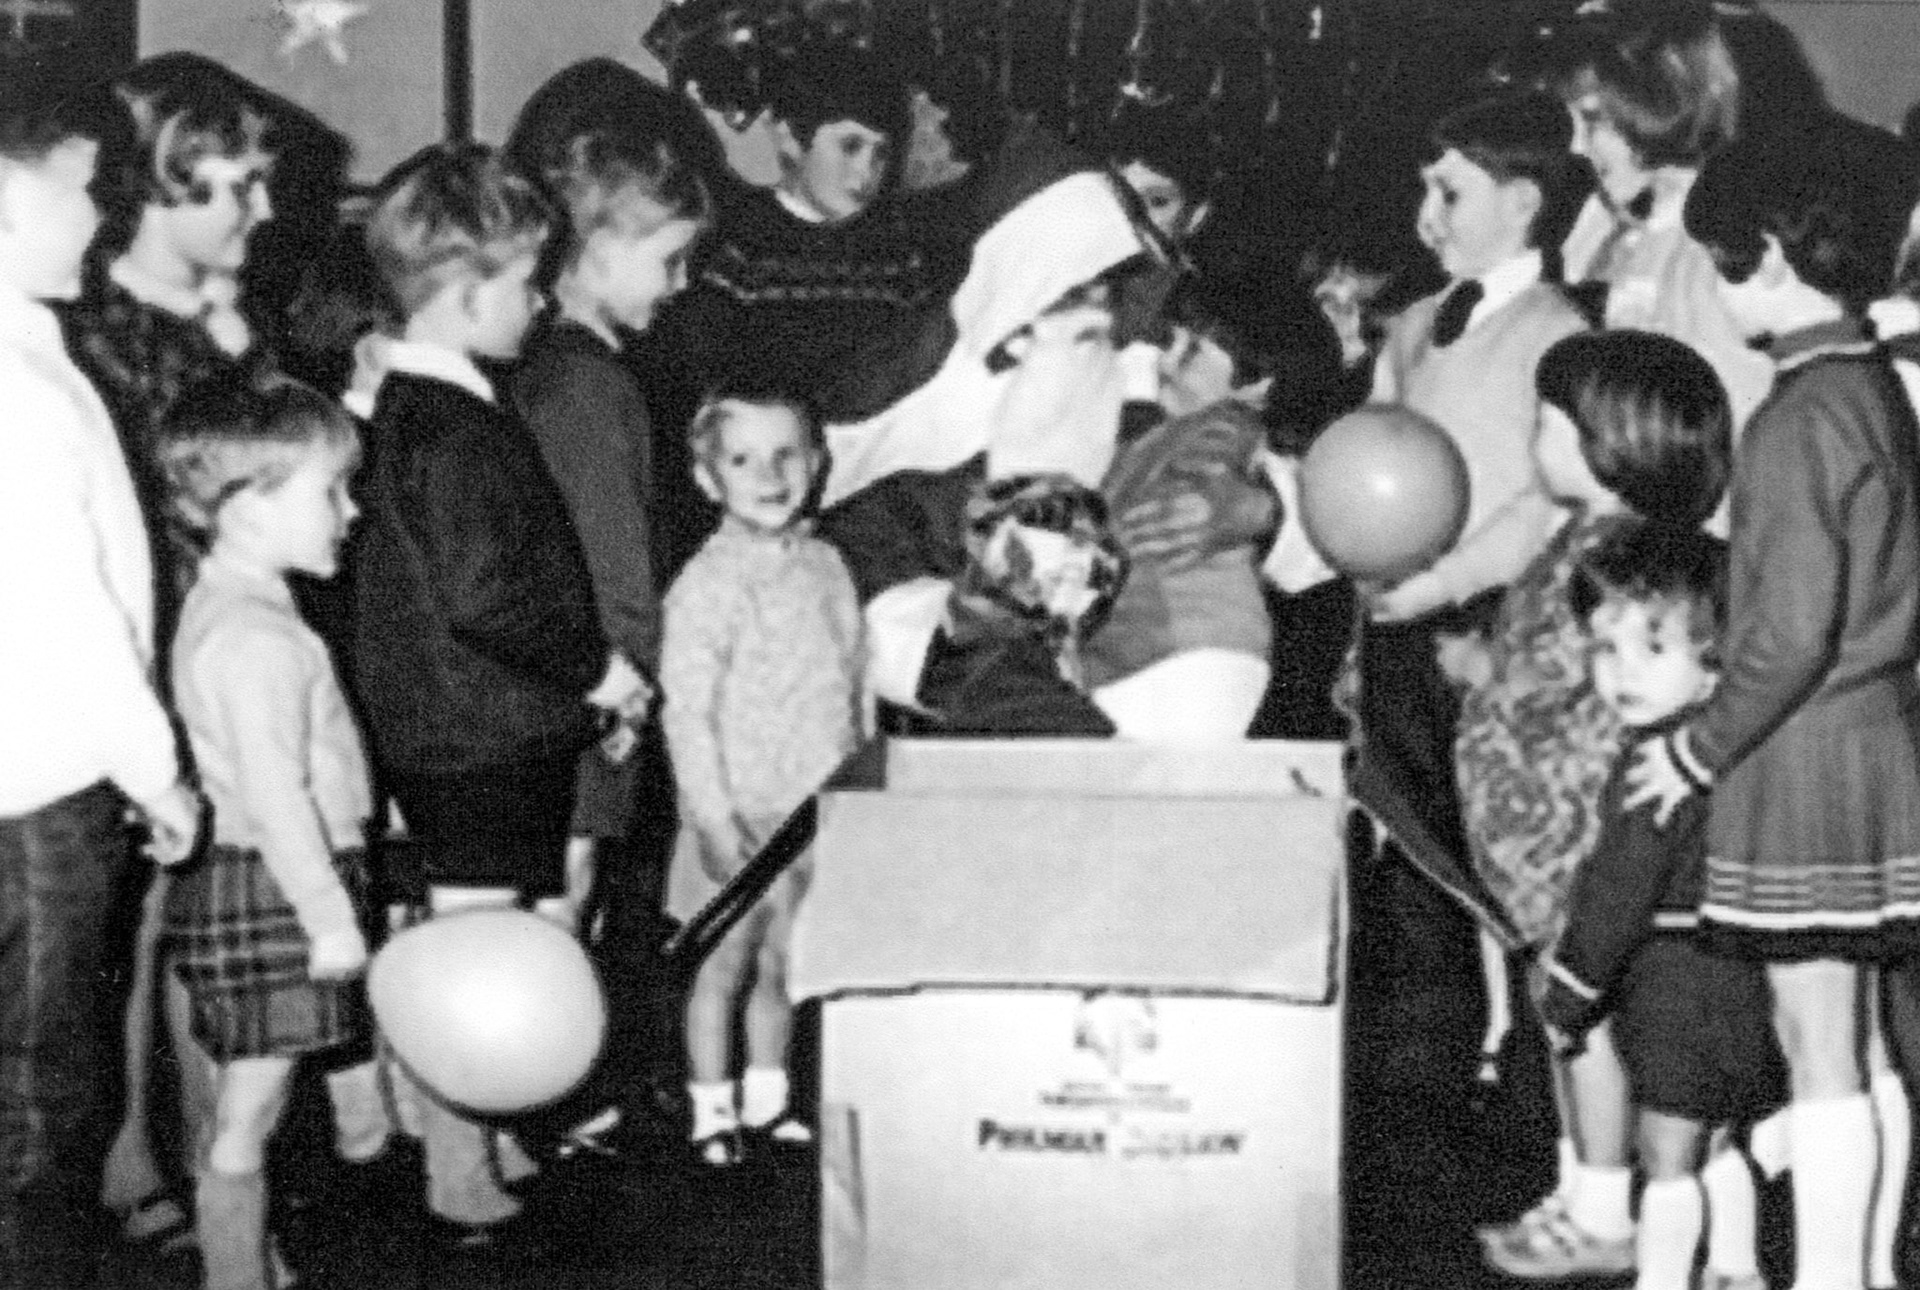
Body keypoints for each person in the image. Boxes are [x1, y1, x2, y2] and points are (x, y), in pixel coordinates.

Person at [1629, 127, 1920, 1290]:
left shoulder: (1796, 415)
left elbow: (1791, 630)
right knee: (1868, 1051)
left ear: (1764, 260)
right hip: (1880, 740)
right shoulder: (1872, 388)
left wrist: (1697, 752)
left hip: (1801, 756)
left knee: (1819, 1052)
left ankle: (1835, 1281)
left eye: (1716, 253)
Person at [350, 141, 647, 1239]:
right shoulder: (458, 427)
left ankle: (464, 1135)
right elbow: (490, 595)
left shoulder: (420, 411)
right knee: (468, 954)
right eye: (525, 285)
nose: (536, 305)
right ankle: (452, 1164)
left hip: (460, 725)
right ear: (472, 293)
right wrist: (598, 669)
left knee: (473, 936)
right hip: (476, 730)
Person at [57, 57, 282, 1254]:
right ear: (152, 193)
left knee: (206, 924)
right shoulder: (100, 345)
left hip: (229, 657)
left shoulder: (230, 326)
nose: (263, 210)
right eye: (233, 189)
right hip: (146, 673)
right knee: (134, 933)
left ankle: (217, 1162)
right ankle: (130, 1165)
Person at [1463, 330, 1733, 1280]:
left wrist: (1490, 674)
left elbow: (1561, 679)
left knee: (1590, 1025)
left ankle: (1604, 1205)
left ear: (1610, 441)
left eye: (1546, 423)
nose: (1531, 438)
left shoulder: (1622, 563)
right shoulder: (1581, 543)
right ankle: (1582, 1185)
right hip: (1542, 840)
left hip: (1581, 840)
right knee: (1567, 1025)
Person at [0, 65, 201, 1288]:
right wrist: (157, 769)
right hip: (45, 781)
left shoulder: (33, 347)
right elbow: (64, 606)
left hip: (42, 771)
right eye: (79, 191)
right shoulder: (15, 385)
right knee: (41, 1104)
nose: (103, 219)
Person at [152, 372, 383, 1290]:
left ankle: (253, 1264)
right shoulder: (254, 639)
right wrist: (331, 918)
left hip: (274, 876)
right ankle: (236, 1277)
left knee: (253, 1099)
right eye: (329, 491)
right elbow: (277, 797)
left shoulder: (244, 606)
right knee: (253, 1105)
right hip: (278, 884)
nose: (349, 510)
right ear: (245, 509)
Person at [1537, 520, 1782, 1290]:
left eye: (1652, 648)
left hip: (1679, 987)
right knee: (1717, 1146)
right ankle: (1737, 1269)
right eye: (1605, 648)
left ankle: (1664, 1279)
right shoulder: (1725, 751)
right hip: (1741, 977)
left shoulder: (1654, 771)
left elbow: (1618, 892)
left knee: (1667, 1157)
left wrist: (1570, 990)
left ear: (1715, 666)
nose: (1620, 674)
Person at [511, 119, 711, 935]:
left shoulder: (547, 366)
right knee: (565, 893)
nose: (679, 283)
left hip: (563, 684)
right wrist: (635, 682)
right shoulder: (588, 387)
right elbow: (613, 560)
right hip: (596, 694)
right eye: (668, 259)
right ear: (593, 245)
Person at [661, 387, 863, 1167]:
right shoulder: (706, 584)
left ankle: (768, 1099)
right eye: (743, 460)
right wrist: (711, 818)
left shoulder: (828, 566)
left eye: (787, 455)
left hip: (815, 812)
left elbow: (854, 680)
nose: (769, 474)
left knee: (788, 961)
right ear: (709, 480)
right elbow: (687, 711)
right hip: (737, 814)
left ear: (815, 465)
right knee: (725, 964)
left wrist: (860, 785)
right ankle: (711, 1111)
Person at [662, 44, 931, 407]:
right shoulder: (738, 248)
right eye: (850, 146)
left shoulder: (896, 255)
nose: (867, 172)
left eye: (880, 152)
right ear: (789, 135)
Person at [1552, 0, 1773, 436]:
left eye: (1594, 120)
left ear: (1659, 107)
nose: (1576, 146)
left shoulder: (1715, 244)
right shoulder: (1611, 224)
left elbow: (1728, 424)